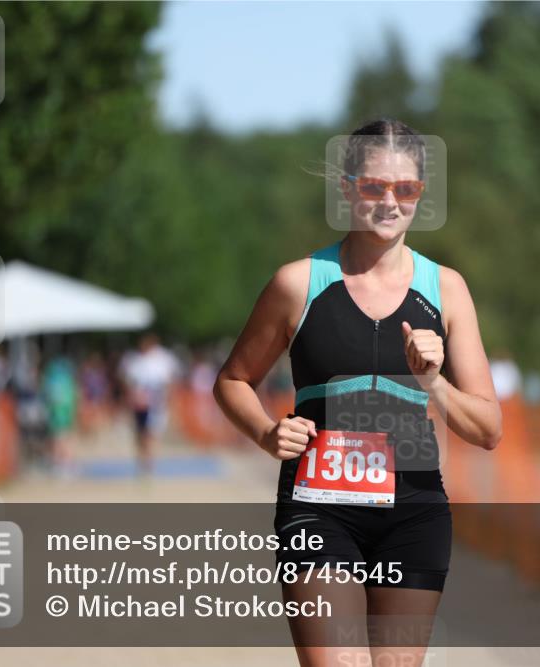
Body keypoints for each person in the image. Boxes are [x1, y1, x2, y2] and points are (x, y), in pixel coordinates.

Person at [214, 118, 501, 666]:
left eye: (407, 188)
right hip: (319, 509)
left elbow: (488, 430)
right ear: (347, 189)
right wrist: (266, 431)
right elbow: (232, 380)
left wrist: (434, 383)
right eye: (374, 186)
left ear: (422, 193)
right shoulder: (297, 283)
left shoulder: (448, 291)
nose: (390, 201)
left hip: (413, 511)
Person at [119, 333, 181, 473]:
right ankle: (143, 460)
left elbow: (170, 381)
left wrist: (167, 399)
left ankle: (148, 462)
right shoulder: (134, 359)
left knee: (151, 433)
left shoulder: (163, 359)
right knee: (140, 433)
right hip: (138, 404)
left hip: (155, 404)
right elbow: (126, 381)